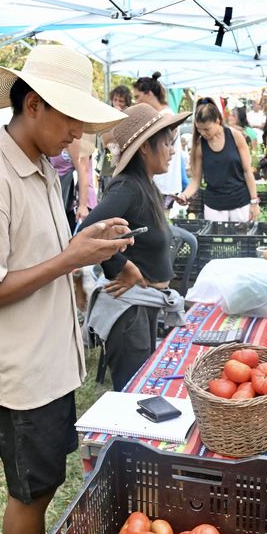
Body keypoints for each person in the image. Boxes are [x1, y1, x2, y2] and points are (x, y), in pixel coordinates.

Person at [0, 44, 132, 534]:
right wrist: (68, 260)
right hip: (20, 375)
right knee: (29, 493)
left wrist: (83, 243)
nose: (76, 134)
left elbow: (41, 255)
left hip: (48, 362)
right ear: (33, 105)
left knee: (47, 480)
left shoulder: (41, 168)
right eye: (70, 119)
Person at [80, 103, 190, 388]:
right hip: (130, 313)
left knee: (141, 390)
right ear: (144, 148)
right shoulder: (127, 187)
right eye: (166, 143)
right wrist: (122, 266)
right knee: (133, 394)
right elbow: (86, 233)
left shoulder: (146, 186)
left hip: (144, 308)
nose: (172, 150)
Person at [178, 98, 260, 222]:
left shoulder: (235, 136)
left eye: (207, 129)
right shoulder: (200, 145)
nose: (203, 133)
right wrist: (184, 195)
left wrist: (254, 201)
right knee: (216, 235)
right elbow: (196, 180)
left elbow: (247, 171)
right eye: (199, 129)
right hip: (214, 206)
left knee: (242, 234)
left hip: (240, 202)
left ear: (218, 121)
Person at [136, 72, 185, 206]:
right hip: (159, 185)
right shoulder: (162, 115)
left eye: (138, 97)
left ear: (149, 94)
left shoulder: (166, 117)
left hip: (162, 186)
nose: (136, 102)